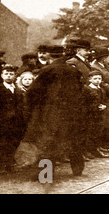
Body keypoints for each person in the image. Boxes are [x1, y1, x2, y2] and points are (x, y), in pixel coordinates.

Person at [22, 45, 86, 177]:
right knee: (74, 139)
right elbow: (80, 91)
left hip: (52, 112)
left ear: (50, 56)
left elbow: (33, 92)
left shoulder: (47, 70)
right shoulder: (73, 71)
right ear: (62, 55)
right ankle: (78, 169)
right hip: (71, 112)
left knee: (48, 142)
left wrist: (31, 109)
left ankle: (46, 174)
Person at [90, 47, 109, 150]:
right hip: (104, 96)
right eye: (108, 56)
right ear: (103, 58)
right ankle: (102, 144)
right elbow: (101, 82)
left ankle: (108, 143)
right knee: (104, 121)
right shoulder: (95, 67)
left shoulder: (105, 66)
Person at [0, 64, 25, 173]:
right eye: (6, 74)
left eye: (11, 74)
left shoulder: (17, 90)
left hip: (17, 122)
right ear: (2, 75)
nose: (9, 76)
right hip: (4, 121)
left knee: (14, 142)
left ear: (14, 76)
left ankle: (9, 164)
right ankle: (0, 167)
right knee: (3, 143)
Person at [83, 70, 109, 159]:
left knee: (97, 132)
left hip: (99, 115)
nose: (98, 80)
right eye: (95, 79)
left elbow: (104, 101)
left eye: (99, 78)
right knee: (89, 133)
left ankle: (95, 149)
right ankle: (88, 151)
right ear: (90, 79)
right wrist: (95, 107)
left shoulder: (101, 90)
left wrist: (104, 106)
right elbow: (85, 103)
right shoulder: (86, 89)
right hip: (90, 115)